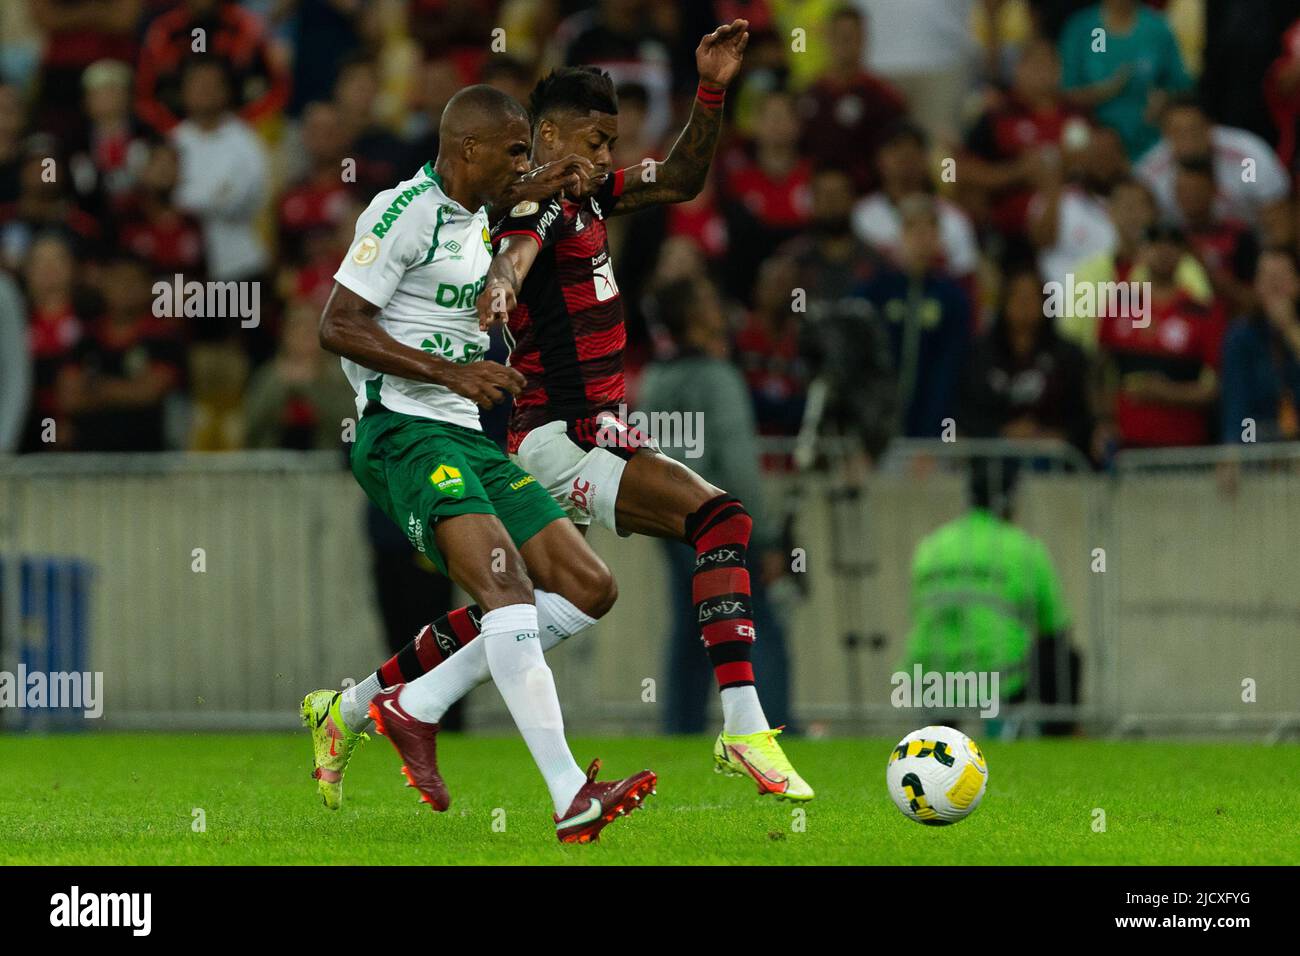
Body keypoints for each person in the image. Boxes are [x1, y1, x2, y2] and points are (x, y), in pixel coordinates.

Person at [299, 85, 656, 844]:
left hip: (467, 434)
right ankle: (569, 796)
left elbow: (528, 192)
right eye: (515, 151)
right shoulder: (402, 212)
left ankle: (386, 705)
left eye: (530, 150)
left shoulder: (478, 212)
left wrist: (559, 174)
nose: (523, 164)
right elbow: (336, 325)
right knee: (507, 591)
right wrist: (452, 372)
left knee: (591, 586)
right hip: (405, 432)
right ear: (468, 151)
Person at [477, 21, 813, 801]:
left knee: (542, 607)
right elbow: (514, 257)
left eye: (612, 142)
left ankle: (381, 700)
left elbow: (683, 179)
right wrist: (496, 292)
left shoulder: (589, 198)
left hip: (590, 430)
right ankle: (743, 725)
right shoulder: (540, 212)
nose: (604, 158)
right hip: (557, 437)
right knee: (721, 519)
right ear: (547, 135)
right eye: (594, 141)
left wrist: (713, 89)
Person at [638, 276, 792, 734]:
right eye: (705, 297)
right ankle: (774, 723)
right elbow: (739, 463)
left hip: (669, 521)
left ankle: (679, 727)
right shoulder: (718, 378)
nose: (716, 304)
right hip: (716, 521)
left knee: (690, 628)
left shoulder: (655, 379)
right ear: (693, 316)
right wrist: (762, 535)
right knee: (755, 620)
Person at [901, 460, 1079, 736]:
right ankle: (1058, 739)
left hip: (929, 673)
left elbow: (917, 610)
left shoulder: (932, 544)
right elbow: (1055, 626)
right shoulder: (1024, 547)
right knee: (1065, 656)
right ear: (1010, 499)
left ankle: (933, 740)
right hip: (998, 675)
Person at [1221, 247, 1300, 443]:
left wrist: (1291, 329)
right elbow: (1237, 401)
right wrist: (1236, 450)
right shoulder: (1241, 335)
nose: (1273, 286)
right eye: (1266, 278)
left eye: (1280, 277)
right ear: (1256, 285)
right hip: (1260, 444)